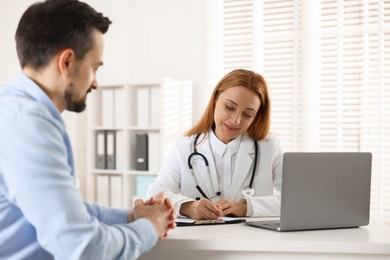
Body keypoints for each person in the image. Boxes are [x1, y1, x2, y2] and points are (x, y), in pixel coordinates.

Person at [0, 0, 175, 259]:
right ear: (67, 62)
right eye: (94, 68)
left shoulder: (13, 109)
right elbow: (83, 247)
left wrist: (130, 216)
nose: (95, 83)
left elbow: (63, 210)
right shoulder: (30, 126)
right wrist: (148, 228)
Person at [147, 69, 284, 220]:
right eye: (230, 107)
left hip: (250, 240)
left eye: (247, 114)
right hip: (199, 240)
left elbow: (294, 200)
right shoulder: (184, 147)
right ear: (214, 101)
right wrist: (188, 206)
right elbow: (155, 193)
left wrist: (245, 208)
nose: (236, 120)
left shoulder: (270, 147)